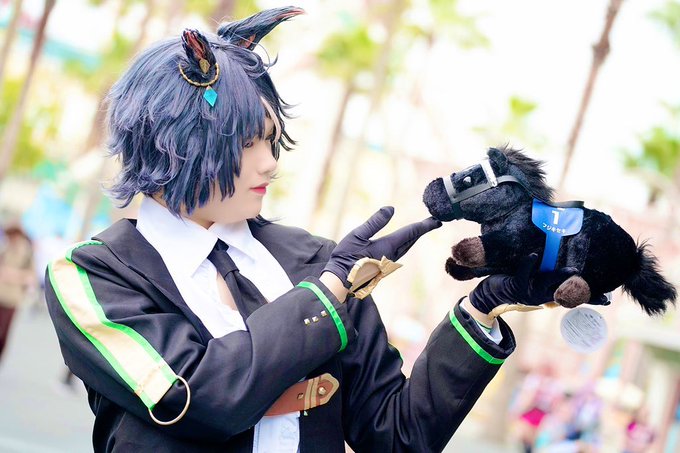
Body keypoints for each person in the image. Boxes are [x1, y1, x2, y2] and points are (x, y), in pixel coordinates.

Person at [43, 7, 606, 452]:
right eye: (247, 143)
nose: (270, 163)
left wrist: (481, 309)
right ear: (176, 144)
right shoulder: (90, 275)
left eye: (272, 140)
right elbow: (191, 395)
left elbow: (398, 436)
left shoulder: (312, 258)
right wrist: (332, 289)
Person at [0, 225, 35, 362]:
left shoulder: (27, 253)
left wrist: (11, 275)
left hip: (12, 299)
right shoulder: (5, 248)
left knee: (3, 333)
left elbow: (30, 277)